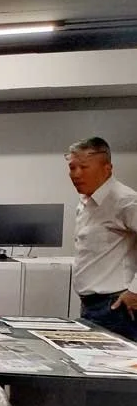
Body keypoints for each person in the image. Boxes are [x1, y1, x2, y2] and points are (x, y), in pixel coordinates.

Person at [68, 137, 137, 341]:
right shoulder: (86, 201)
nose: (76, 174)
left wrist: (135, 291)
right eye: (72, 167)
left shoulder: (124, 200)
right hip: (91, 306)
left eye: (84, 167)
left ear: (107, 168)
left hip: (116, 308)